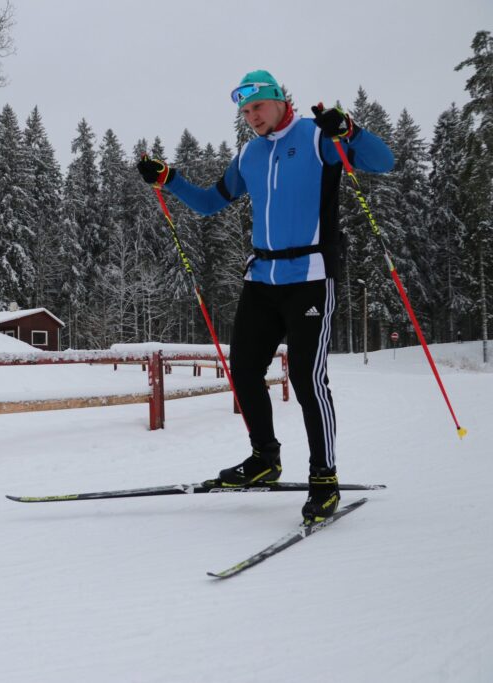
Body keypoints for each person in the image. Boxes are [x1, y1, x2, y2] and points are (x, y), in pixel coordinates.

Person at [137, 70, 394, 523]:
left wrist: (350, 130)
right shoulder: (249, 154)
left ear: (278, 100)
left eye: (257, 106)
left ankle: (324, 478)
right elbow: (209, 203)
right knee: (244, 370)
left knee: (308, 381)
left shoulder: (316, 137)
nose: (251, 117)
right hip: (262, 278)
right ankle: (264, 460)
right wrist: (169, 178)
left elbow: (382, 161)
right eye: (245, 111)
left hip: (310, 275)